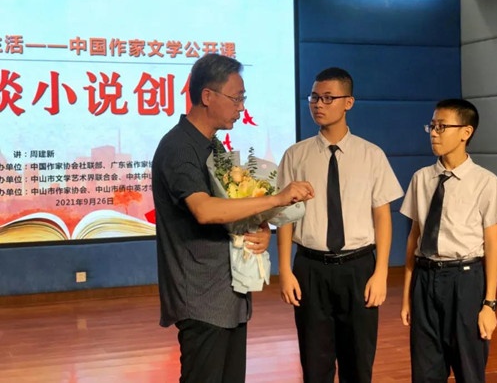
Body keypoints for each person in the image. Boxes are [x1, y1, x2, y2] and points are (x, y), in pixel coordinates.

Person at [151, 53, 314, 383]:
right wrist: (278, 198)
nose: (241, 108)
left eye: (243, 99)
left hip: (228, 293)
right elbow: (205, 209)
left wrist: (261, 228)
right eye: (237, 98)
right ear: (207, 96)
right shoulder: (179, 147)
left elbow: (234, 209)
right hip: (200, 296)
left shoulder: (215, 148)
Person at [277, 67, 404, 383]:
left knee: (358, 363)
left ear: (348, 102)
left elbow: (382, 217)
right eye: (314, 98)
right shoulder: (295, 155)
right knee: (314, 365)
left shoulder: (371, 155)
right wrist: (285, 271)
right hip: (310, 268)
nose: (318, 105)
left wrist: (381, 272)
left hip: (358, 268)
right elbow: (285, 217)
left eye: (327, 98)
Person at [399, 98, 497, 383]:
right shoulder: (421, 178)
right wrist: (407, 296)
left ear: (466, 132)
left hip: (464, 281)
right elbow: (414, 238)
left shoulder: (485, 182)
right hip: (425, 280)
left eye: (442, 126)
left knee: (469, 371)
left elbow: (493, 245)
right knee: (424, 373)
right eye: (432, 126)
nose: (434, 133)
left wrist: (489, 304)